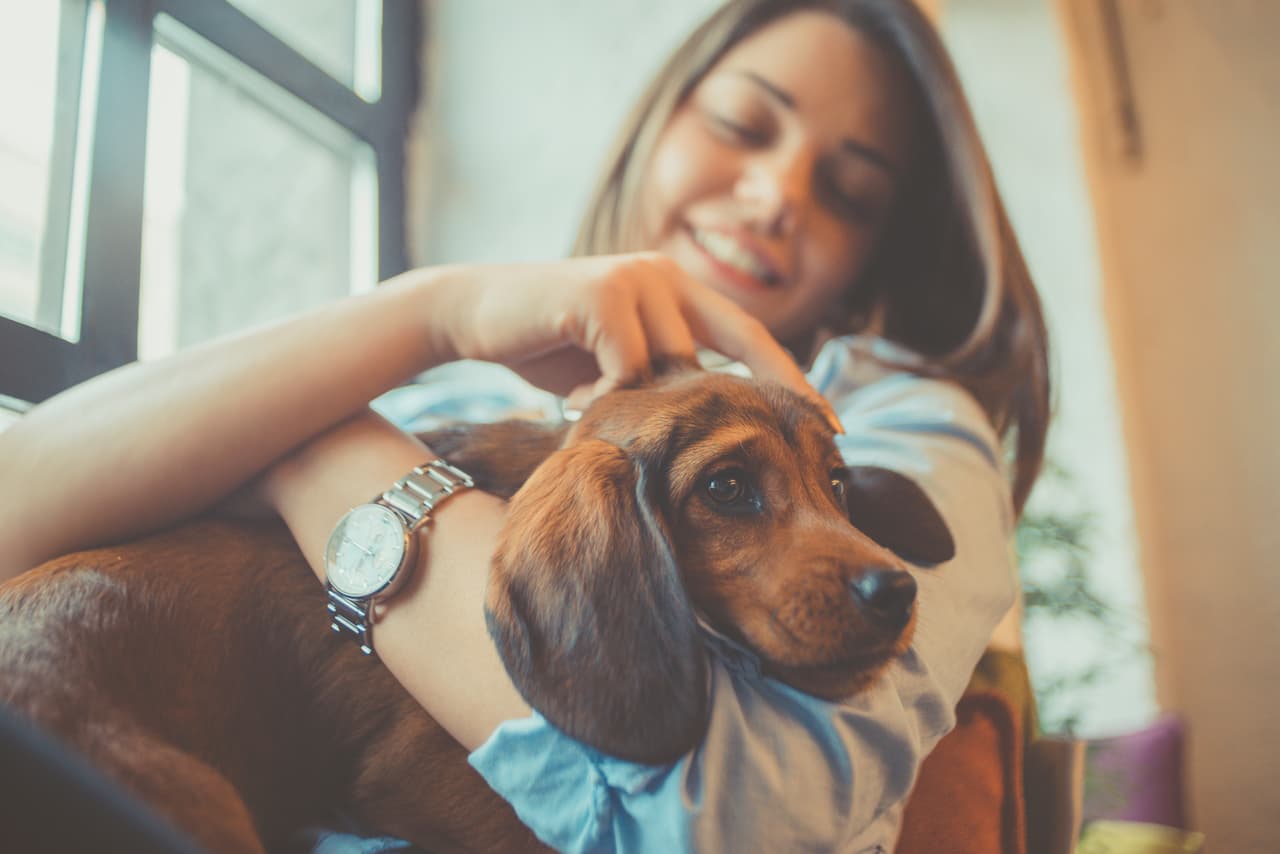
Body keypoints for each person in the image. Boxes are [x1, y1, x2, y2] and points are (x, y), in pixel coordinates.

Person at [0, 0, 1050, 850]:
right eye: (741, 125)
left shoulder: (895, 413)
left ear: (881, 248)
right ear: (659, 122)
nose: (776, 194)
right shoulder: (456, 399)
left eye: (850, 192)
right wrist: (433, 313)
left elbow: (733, 817)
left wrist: (308, 446)